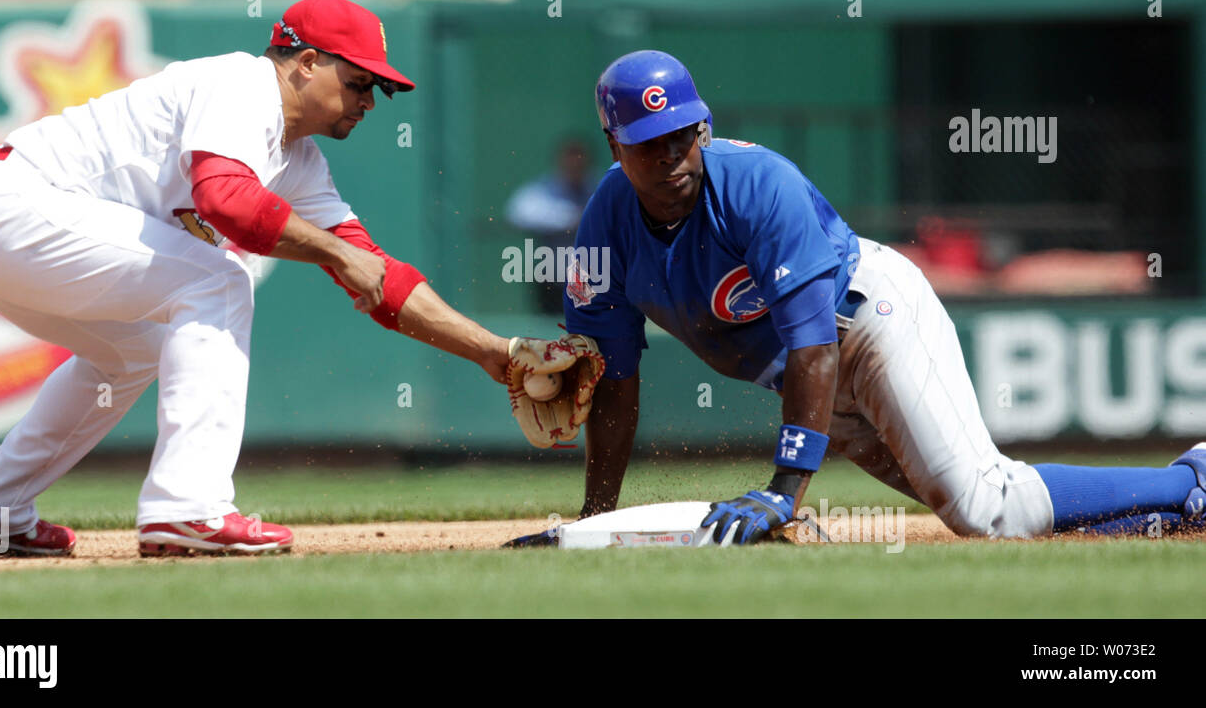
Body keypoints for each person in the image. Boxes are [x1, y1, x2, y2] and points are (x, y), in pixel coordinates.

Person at [510, 50, 1206, 545]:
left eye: (683, 135)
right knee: (993, 518)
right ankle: (1180, 515)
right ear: (613, 144)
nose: (672, 157)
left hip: (867, 321)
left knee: (986, 507)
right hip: (810, 376)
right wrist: (595, 517)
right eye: (648, 144)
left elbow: (813, 342)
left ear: (703, 128)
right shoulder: (603, 229)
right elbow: (615, 383)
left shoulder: (757, 186)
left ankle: (1190, 477)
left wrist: (785, 491)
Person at [0, 0, 513, 558]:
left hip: (6, 231)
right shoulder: (242, 85)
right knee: (218, 279)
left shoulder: (301, 164)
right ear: (308, 62)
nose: (369, 101)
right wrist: (338, 256)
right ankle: (188, 507)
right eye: (359, 82)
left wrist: (495, 353)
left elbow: (378, 278)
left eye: (377, 89)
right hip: (12, 203)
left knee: (130, 354)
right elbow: (227, 201)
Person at [504, 137, 597, 314]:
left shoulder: (598, 187)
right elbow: (518, 212)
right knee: (551, 329)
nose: (575, 168)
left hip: (594, 275)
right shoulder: (546, 188)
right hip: (553, 276)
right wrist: (570, 219)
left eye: (579, 163)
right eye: (570, 163)